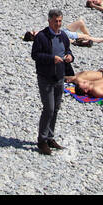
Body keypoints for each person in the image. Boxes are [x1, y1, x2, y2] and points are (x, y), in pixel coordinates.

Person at [30, 9, 72, 155]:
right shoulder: (41, 36)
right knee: (48, 108)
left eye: (60, 21)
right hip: (45, 77)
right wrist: (51, 59)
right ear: (49, 21)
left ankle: (50, 137)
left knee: (56, 108)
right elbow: (35, 55)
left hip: (59, 76)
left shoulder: (63, 36)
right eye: (55, 21)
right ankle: (42, 140)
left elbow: (68, 50)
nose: (58, 24)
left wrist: (69, 57)